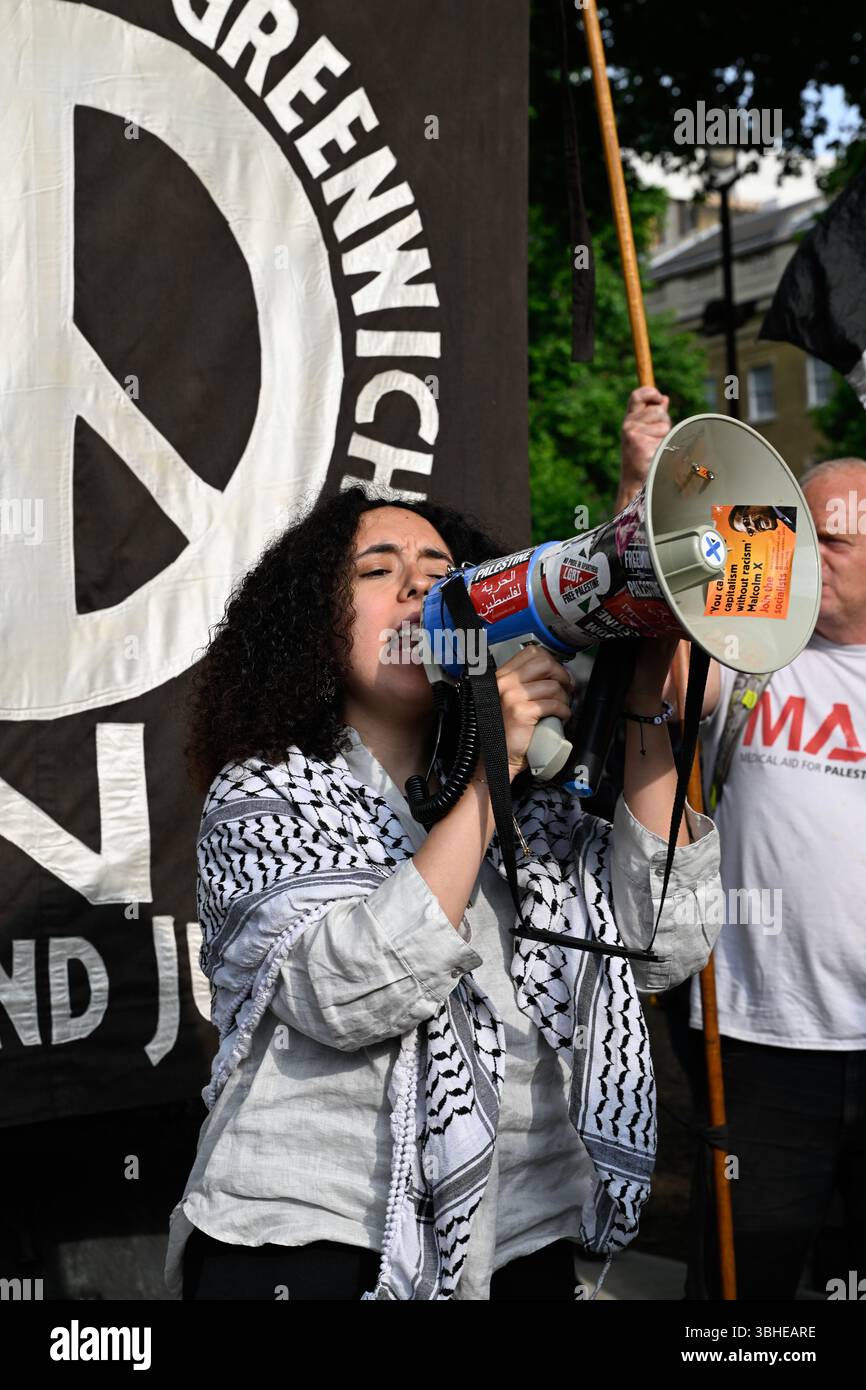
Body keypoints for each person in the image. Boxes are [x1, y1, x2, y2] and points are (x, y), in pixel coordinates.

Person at [163, 482, 723, 1301]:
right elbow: (346, 991)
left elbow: (664, 944)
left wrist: (641, 699)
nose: (419, 590)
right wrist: (491, 775)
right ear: (314, 627)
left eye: (440, 572)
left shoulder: (538, 803)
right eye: (377, 571)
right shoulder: (268, 793)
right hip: (311, 1236)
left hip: (518, 1234)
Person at [615, 387, 866, 1300]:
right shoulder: (753, 644)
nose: (804, 550)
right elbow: (655, 671)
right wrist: (642, 494)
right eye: (796, 526)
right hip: (761, 1037)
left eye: (831, 538)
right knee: (738, 1300)